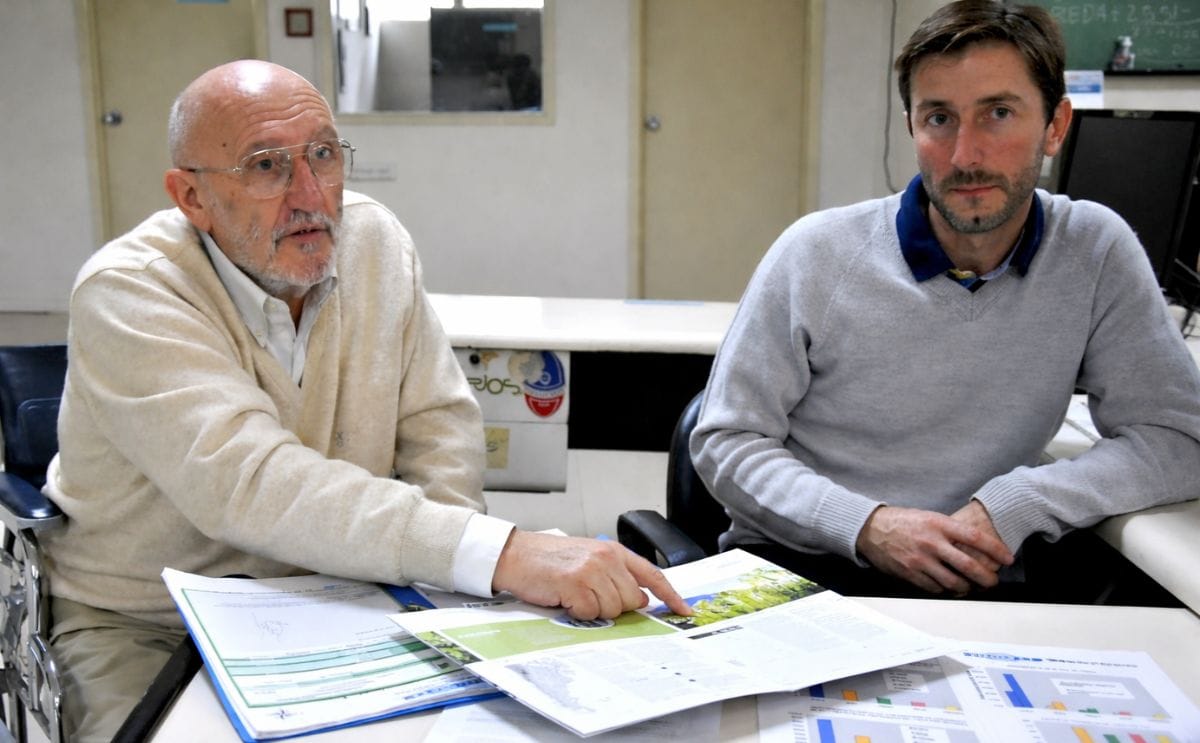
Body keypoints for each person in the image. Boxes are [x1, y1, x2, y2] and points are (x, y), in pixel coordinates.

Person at [42, 60, 688, 742]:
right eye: (266, 166)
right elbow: (248, 483)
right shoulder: (128, 291)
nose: (311, 195)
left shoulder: (372, 241)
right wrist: (497, 552)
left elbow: (438, 423)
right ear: (191, 197)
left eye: (323, 154)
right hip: (147, 618)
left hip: (341, 590)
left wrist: (448, 589)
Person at [692, 0, 1200, 603]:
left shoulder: (1094, 250)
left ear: (1055, 126)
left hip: (979, 582)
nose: (965, 156)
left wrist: (1018, 502)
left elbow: (1178, 439)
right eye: (939, 118)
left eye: (998, 113)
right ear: (911, 126)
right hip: (801, 574)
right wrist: (867, 526)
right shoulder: (816, 253)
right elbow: (725, 441)